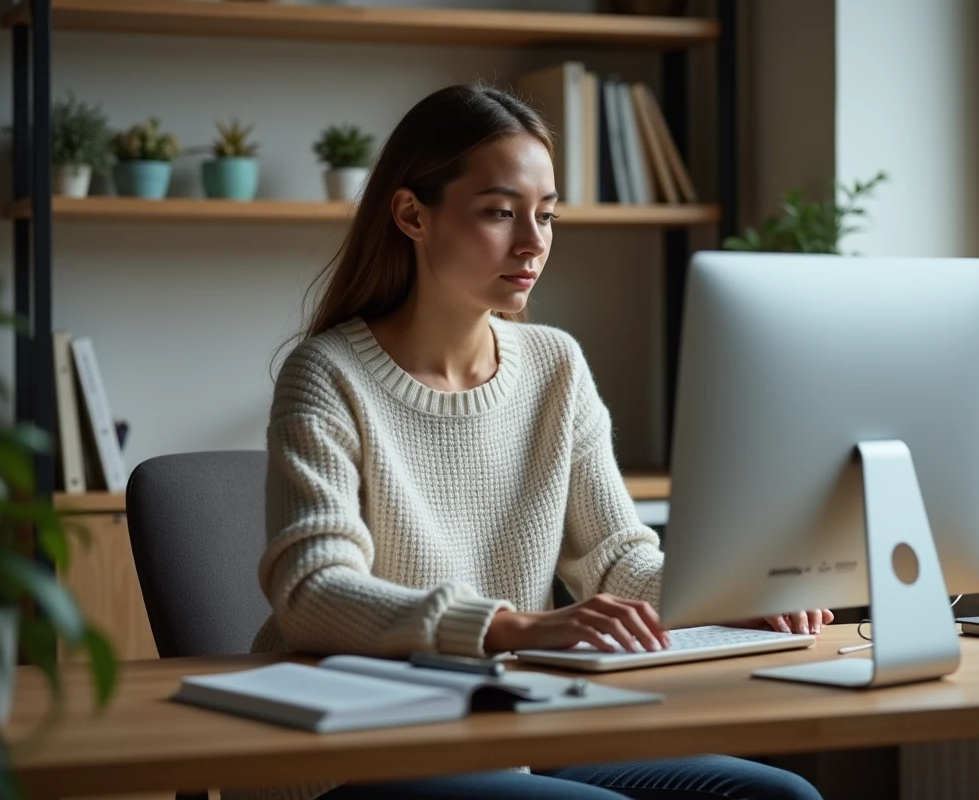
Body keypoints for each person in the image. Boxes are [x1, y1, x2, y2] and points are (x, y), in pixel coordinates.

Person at [251, 83, 830, 800]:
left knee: (780, 797)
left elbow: (618, 560)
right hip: (365, 753)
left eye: (547, 216)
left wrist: (717, 597)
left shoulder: (555, 364)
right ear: (411, 214)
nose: (533, 243)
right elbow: (312, 593)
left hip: (517, 730)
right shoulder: (327, 374)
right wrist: (510, 625)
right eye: (499, 213)